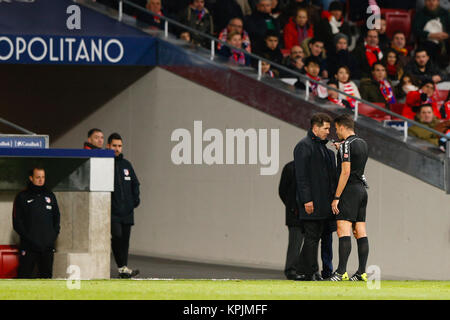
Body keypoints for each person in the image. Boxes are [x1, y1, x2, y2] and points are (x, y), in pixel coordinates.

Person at [294, 113, 337, 281]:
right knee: (312, 238)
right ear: (315, 128)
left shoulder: (323, 149)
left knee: (317, 238)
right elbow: (301, 176)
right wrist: (307, 200)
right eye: (326, 128)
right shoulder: (304, 146)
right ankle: (308, 272)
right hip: (313, 202)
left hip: (324, 204)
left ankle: (309, 271)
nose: (328, 132)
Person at [328, 114, 369, 281]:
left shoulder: (346, 145)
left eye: (336, 128)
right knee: (360, 232)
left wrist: (336, 197)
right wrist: (341, 149)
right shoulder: (362, 143)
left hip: (349, 191)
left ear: (342, 127)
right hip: (361, 190)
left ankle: (340, 272)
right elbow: (356, 164)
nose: (336, 131)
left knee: (343, 229)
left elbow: (345, 172)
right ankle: (361, 272)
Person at [13, 167, 61, 279]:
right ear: (31, 178)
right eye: (38, 177)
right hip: (29, 247)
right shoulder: (22, 196)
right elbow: (17, 223)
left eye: (43, 177)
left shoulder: (50, 196)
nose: (41, 180)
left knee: (47, 279)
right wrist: (30, 239)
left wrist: (52, 238)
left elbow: (57, 218)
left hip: (47, 248)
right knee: (24, 278)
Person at [107, 133, 141, 279]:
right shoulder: (105, 164)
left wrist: (134, 201)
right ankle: (122, 267)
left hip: (127, 211)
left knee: (125, 241)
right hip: (113, 212)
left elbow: (135, 183)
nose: (117, 148)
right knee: (117, 236)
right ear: (108, 146)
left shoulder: (126, 164)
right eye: (114, 145)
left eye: (119, 146)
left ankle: (123, 269)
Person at [279, 161, 305, 281]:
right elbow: (283, 191)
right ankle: (291, 270)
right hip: (294, 213)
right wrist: (292, 206)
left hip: (308, 212)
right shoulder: (290, 168)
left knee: (309, 243)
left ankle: (305, 270)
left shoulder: (312, 166)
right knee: (295, 242)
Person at [412, 0, 450, 68]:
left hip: (444, 41)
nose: (431, 2)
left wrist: (447, 35)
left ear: (438, 2)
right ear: (425, 2)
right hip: (426, 41)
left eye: (434, 0)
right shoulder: (420, 14)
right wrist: (431, 35)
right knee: (430, 46)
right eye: (429, 0)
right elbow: (416, 30)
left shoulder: (445, 13)